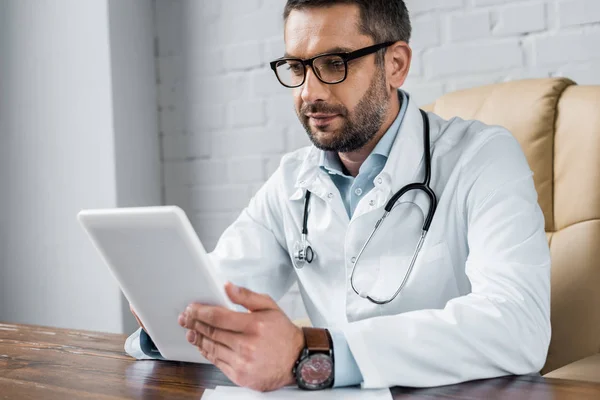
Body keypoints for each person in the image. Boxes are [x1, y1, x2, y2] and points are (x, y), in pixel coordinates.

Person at [126, 0, 551, 392]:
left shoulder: (482, 157)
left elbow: (518, 326)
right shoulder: (293, 179)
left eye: (334, 63)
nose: (309, 92)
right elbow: (220, 295)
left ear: (396, 65)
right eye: (297, 67)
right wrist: (172, 321)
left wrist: (312, 352)